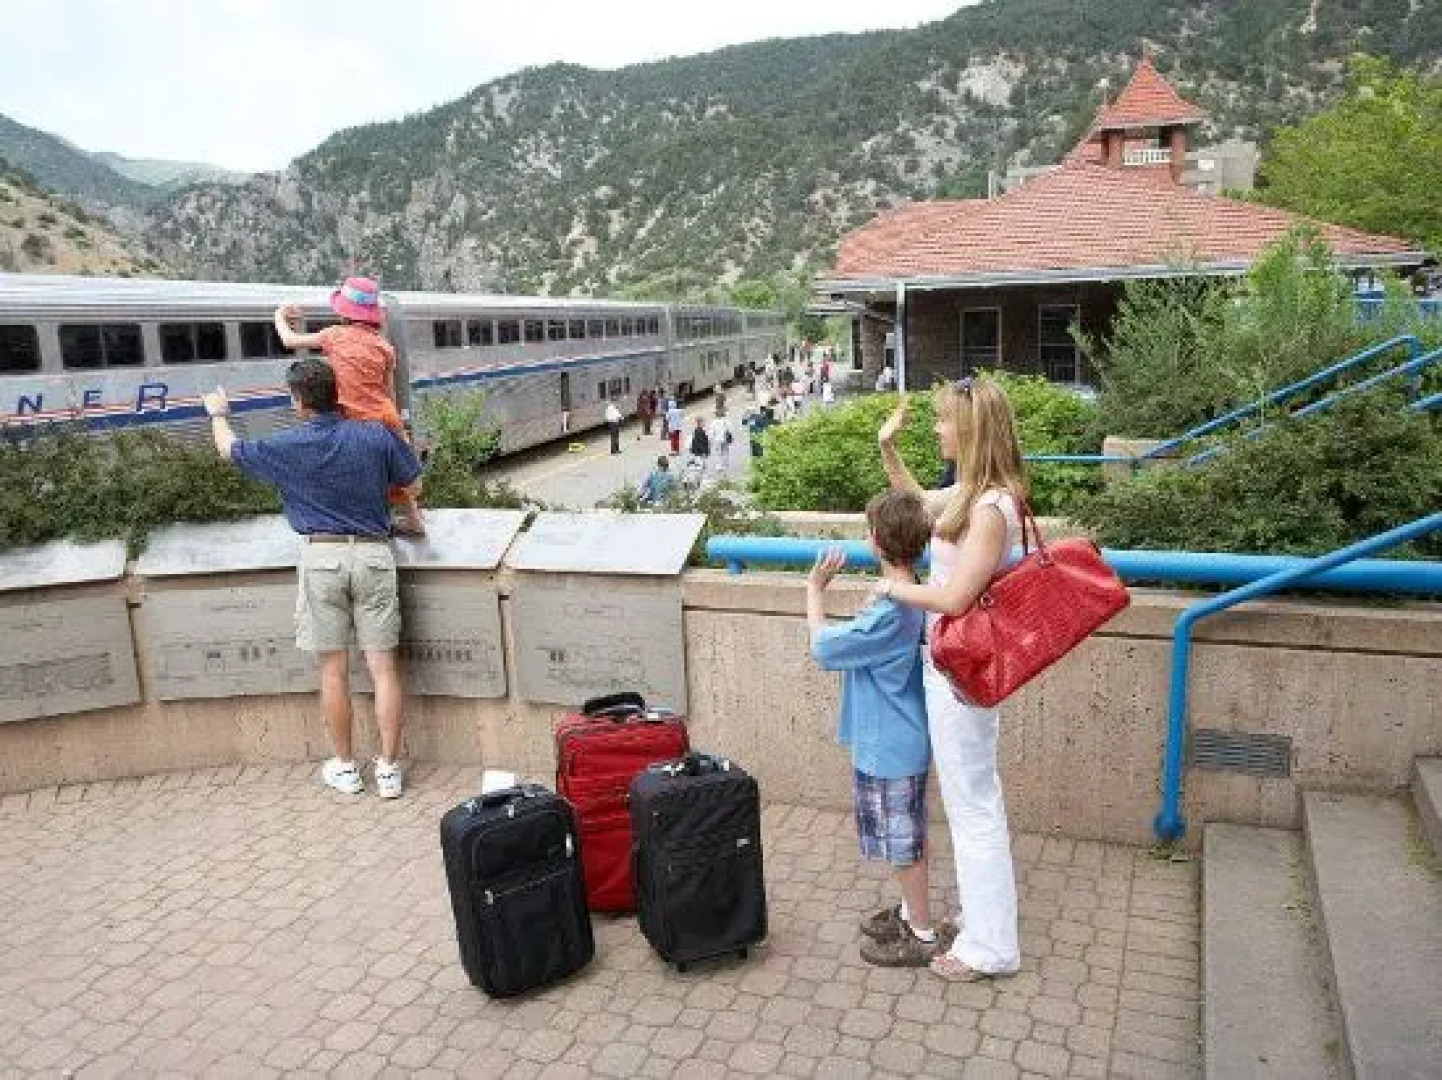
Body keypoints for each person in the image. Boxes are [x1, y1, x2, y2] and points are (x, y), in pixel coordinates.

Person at [201, 359, 422, 800]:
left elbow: (229, 451)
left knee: (333, 671)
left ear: (298, 401)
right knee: (383, 669)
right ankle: (390, 771)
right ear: (335, 391)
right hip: (376, 555)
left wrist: (218, 414)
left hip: (321, 558)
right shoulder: (375, 435)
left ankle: (345, 768)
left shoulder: (287, 445)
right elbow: (412, 482)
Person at [875, 377, 1026, 982]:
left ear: (971, 428)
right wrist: (890, 449)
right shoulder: (975, 493)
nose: (937, 428)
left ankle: (992, 948)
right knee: (971, 801)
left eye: (943, 421)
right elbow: (920, 507)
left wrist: (893, 587)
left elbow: (958, 596)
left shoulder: (991, 509)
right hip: (951, 673)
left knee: (974, 807)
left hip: (961, 676)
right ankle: (983, 921)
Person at [807, 491, 946, 967]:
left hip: (891, 743)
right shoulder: (910, 595)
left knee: (903, 842)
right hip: (895, 738)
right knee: (902, 835)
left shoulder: (892, 609)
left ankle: (923, 934)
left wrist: (813, 593)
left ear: (876, 541)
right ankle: (911, 914)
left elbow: (825, 649)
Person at [273, 277, 424, 537]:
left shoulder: (333, 335)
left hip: (352, 418)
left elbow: (289, 341)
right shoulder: (385, 347)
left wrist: (279, 315)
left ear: (343, 311)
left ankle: (359, 521)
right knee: (396, 472)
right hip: (384, 416)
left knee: (355, 473)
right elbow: (388, 392)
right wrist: (399, 426)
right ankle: (413, 520)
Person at [708, 411, 732, 476]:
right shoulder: (726, 421)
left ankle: (719, 466)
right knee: (725, 452)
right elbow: (730, 430)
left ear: (716, 415)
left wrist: (710, 440)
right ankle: (725, 464)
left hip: (717, 440)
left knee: (718, 453)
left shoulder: (713, 423)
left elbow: (711, 432)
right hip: (725, 439)